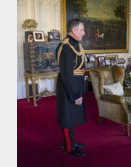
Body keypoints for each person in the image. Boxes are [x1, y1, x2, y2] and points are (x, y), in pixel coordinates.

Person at [55, 18, 86, 157]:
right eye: (82, 30)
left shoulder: (75, 44)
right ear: (74, 31)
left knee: (71, 116)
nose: (84, 33)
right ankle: (69, 147)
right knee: (67, 117)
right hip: (68, 86)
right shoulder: (66, 46)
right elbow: (67, 74)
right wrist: (75, 94)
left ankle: (72, 141)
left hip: (76, 83)